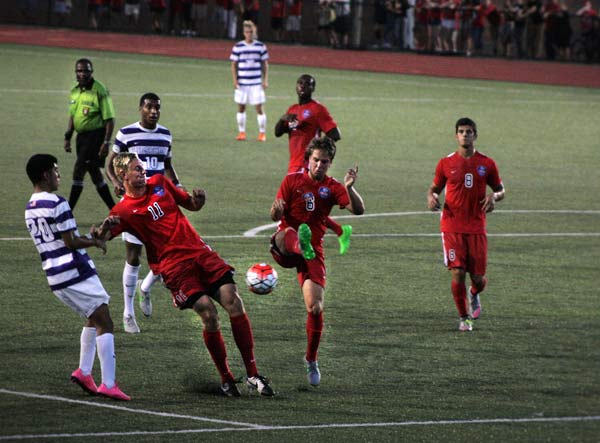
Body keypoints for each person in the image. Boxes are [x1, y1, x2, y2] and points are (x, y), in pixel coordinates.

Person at [99, 153, 274, 397]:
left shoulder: (160, 182)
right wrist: (103, 229)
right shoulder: (123, 211)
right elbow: (100, 238)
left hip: (200, 253)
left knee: (234, 302)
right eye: (137, 169)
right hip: (174, 268)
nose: (143, 171)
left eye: (142, 167)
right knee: (209, 314)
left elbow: (191, 205)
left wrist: (198, 200)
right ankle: (226, 378)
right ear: (122, 175)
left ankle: (253, 375)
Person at [25, 154, 130, 401]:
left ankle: (84, 372)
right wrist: (95, 241)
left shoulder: (30, 207)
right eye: (55, 170)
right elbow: (70, 241)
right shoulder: (57, 203)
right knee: (104, 319)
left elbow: (61, 237)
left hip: (54, 275)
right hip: (74, 271)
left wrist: (93, 233)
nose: (58, 174)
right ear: (45, 175)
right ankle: (109, 383)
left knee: (92, 317)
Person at [270, 136, 364, 386]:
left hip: (312, 249)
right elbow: (274, 214)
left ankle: (311, 359)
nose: (319, 165)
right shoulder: (292, 181)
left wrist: (350, 187)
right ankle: (300, 244)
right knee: (289, 234)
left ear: (330, 163)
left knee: (315, 308)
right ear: (308, 160)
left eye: (324, 161)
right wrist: (277, 212)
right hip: (285, 245)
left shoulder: (333, 188)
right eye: (315, 160)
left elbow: (358, 210)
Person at [106, 93, 182, 333]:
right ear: (140, 108)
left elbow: (167, 165)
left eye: (157, 108)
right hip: (134, 204)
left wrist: (178, 188)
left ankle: (146, 287)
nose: (153, 111)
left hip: (159, 203)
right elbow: (110, 162)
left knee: (169, 253)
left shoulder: (165, 134)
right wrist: (114, 182)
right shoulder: (126, 134)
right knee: (133, 255)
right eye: (149, 107)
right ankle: (128, 312)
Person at [427, 118, 505, 332]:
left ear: (475, 135)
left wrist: (494, 197)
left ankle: (473, 293)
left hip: (476, 227)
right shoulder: (446, 163)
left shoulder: (487, 163)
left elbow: (501, 189)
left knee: (478, 279)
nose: (465, 135)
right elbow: (434, 188)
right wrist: (431, 197)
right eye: (461, 131)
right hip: (451, 226)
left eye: (469, 131)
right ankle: (464, 317)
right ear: (456, 136)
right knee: (458, 272)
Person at [274, 74, 353, 255]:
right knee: (310, 207)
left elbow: (335, 134)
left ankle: (292, 241)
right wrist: (283, 119)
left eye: (308, 84)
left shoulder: (317, 110)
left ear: (313, 88)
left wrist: (317, 150)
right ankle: (341, 231)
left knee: (307, 208)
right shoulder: (293, 109)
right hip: (294, 164)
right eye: (300, 83)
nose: (303, 87)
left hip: (307, 166)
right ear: (296, 86)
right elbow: (278, 132)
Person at [63, 58, 116, 212]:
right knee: (95, 174)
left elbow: (110, 119)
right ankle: (114, 210)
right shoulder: (74, 91)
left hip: (96, 137)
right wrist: (68, 137)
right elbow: (73, 116)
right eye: (79, 71)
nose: (82, 74)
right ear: (76, 72)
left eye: (86, 70)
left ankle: (68, 210)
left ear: (91, 72)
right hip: (81, 138)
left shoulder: (100, 90)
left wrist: (106, 142)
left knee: (79, 169)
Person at [230, 20, 269, 142]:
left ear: (254, 32)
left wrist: (265, 80)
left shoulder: (260, 46)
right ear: (243, 33)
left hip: (256, 83)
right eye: (247, 32)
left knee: (259, 108)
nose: (249, 34)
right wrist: (235, 80)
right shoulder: (238, 46)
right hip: (242, 83)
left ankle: (262, 133)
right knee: (241, 108)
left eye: (251, 32)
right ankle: (242, 132)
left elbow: (265, 64)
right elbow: (234, 65)